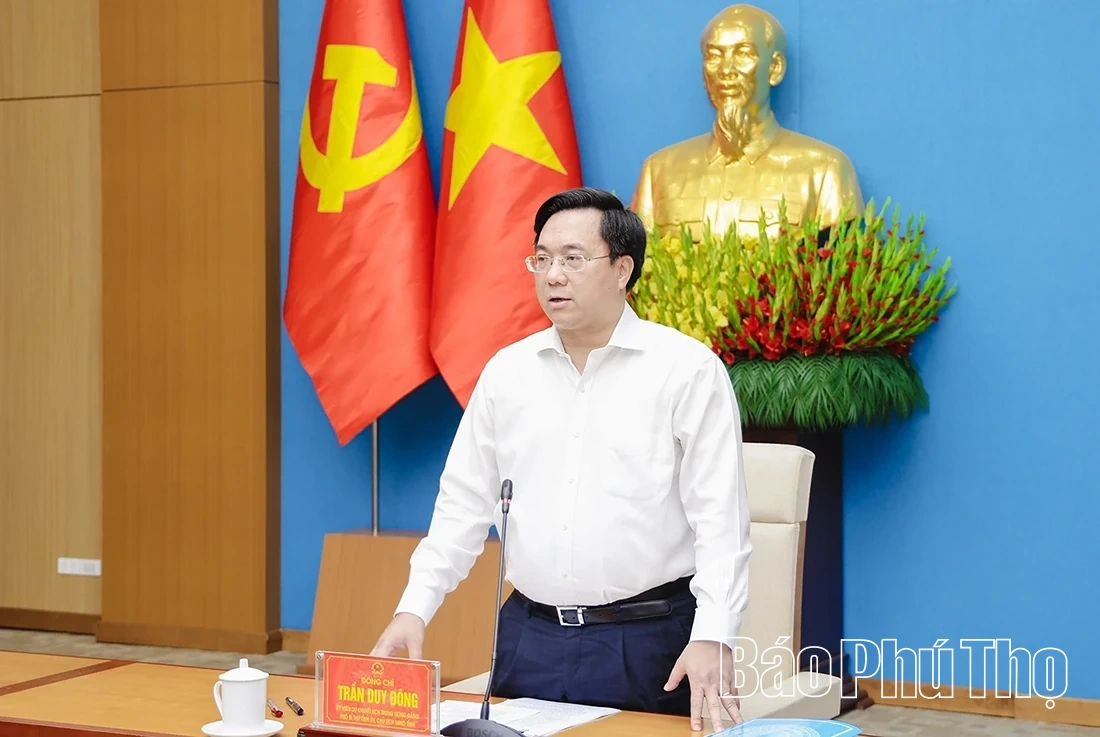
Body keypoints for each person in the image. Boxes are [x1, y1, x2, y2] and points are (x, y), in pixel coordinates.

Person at [371, 187, 752, 731]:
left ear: (622, 269)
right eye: (542, 258)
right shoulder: (507, 373)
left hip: (646, 640)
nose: (552, 276)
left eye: (573, 259)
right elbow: (461, 506)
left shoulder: (686, 370)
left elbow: (721, 521)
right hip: (529, 636)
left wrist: (713, 634)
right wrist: (414, 607)